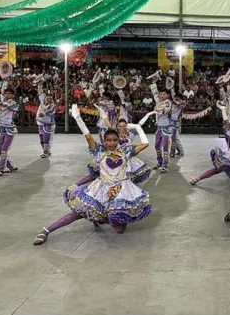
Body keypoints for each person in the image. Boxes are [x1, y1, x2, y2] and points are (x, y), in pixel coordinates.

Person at [33, 106, 152, 245]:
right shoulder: (99, 151)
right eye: (109, 140)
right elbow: (87, 135)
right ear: (105, 141)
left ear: (118, 140)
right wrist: (78, 118)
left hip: (122, 190)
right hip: (101, 189)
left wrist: (137, 127)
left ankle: (101, 217)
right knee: (78, 213)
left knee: (119, 229)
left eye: (115, 140)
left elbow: (145, 143)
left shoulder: (126, 152)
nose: (112, 143)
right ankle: (46, 231)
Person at [0, 87, 19, 177]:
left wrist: (0, 103)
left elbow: (10, 107)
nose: (7, 95)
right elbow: (0, 113)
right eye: (6, 93)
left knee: (4, 150)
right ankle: (12, 166)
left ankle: (0, 170)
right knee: (0, 151)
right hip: (3, 128)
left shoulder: (14, 103)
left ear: (13, 95)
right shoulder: (3, 103)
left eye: (9, 93)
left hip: (10, 130)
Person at [150, 81, 174, 172]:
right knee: (156, 146)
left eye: (164, 94)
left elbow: (166, 111)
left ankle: (165, 165)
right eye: (161, 94)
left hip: (166, 128)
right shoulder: (159, 101)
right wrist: (153, 81)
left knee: (165, 147)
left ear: (167, 95)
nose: (161, 95)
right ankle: (159, 162)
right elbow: (154, 93)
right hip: (159, 127)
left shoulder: (167, 102)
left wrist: (158, 108)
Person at [36, 83, 56, 159]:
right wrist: (39, 84)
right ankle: (47, 151)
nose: (49, 100)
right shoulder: (42, 101)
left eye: (51, 99)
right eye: (48, 99)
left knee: (46, 139)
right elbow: (40, 92)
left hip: (49, 125)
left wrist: (42, 114)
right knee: (41, 140)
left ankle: (45, 152)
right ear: (45, 99)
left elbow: (47, 111)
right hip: (40, 124)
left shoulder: (52, 106)